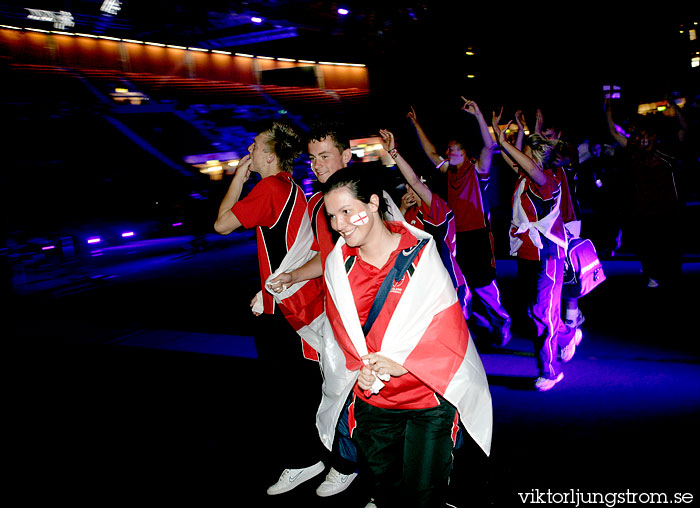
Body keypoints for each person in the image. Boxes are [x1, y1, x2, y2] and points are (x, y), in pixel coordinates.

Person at [320, 166, 492, 507]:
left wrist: (404, 363)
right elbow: (338, 333)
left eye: (346, 212)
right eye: (331, 216)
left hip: (428, 401)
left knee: (422, 497)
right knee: (384, 493)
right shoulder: (338, 266)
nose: (338, 224)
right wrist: (359, 367)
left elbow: (450, 329)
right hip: (374, 403)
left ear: (371, 204)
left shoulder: (420, 254)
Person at [213, 121, 328, 493]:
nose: (250, 149)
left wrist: (237, 177)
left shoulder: (268, 187)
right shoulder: (292, 188)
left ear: (270, 154)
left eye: (256, 145)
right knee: (305, 386)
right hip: (296, 301)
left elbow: (222, 225)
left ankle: (304, 461)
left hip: (281, 310)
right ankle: (325, 456)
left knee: (285, 392)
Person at [407, 98, 511, 347]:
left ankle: (500, 321)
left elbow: (488, 145)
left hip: (478, 236)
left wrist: (478, 115)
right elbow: (430, 152)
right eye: (449, 149)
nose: (449, 152)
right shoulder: (448, 173)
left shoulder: (477, 170)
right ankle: (463, 335)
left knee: (484, 288)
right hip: (456, 238)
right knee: (459, 286)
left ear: (466, 153)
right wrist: (416, 124)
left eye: (455, 149)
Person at [492, 112, 582, 391]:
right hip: (527, 257)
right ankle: (566, 335)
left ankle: (550, 370)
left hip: (548, 258)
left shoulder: (547, 182)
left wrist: (502, 138)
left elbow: (522, 161)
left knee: (542, 315)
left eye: (526, 154)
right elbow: (513, 159)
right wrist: (502, 135)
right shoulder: (524, 178)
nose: (521, 157)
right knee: (535, 313)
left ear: (536, 159)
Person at [378, 128, 471, 319]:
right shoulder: (411, 212)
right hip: (427, 283)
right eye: (406, 187)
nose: (408, 189)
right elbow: (394, 235)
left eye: (412, 186)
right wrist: (402, 209)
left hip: (449, 281)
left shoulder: (437, 209)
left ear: (424, 185)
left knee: (457, 335)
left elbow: (414, 180)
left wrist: (393, 152)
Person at [605, 100, 684, 289]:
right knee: (647, 246)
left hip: (668, 209)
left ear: (653, 136)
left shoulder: (666, 152)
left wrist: (676, 107)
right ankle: (651, 274)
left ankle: (670, 274)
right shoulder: (634, 152)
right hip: (644, 210)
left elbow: (684, 130)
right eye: (638, 137)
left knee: (669, 246)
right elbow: (615, 134)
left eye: (644, 136)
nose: (641, 140)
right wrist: (608, 112)